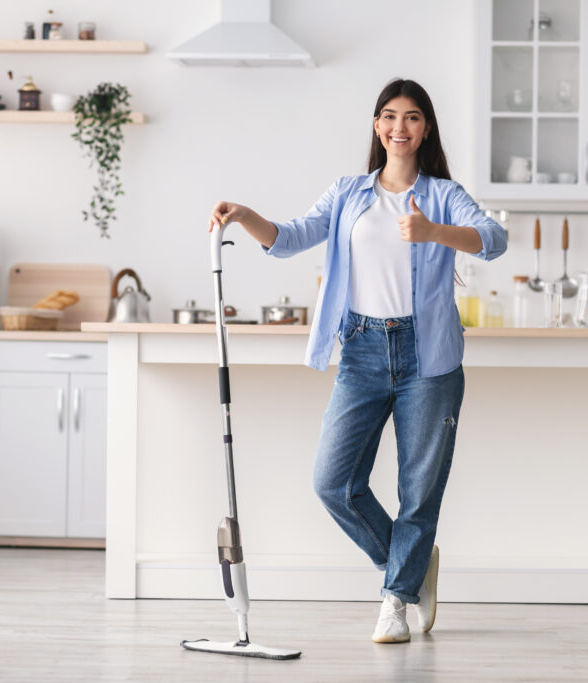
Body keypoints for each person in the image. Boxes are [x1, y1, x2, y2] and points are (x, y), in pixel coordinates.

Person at [209, 78, 506, 643]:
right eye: (390, 116)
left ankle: (396, 600)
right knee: (333, 482)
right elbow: (294, 236)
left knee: (419, 490)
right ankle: (411, 567)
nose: (400, 127)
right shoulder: (347, 193)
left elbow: (494, 238)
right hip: (363, 349)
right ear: (377, 125)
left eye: (412, 117)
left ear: (425, 128)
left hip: (430, 355)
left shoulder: (443, 194)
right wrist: (246, 216)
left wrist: (434, 231)